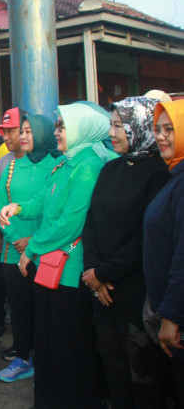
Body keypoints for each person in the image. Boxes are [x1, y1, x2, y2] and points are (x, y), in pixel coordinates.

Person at [0, 102, 117, 409]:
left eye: (63, 126)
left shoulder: (88, 164)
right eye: (57, 126)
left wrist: (33, 248)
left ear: (80, 130)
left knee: (68, 343)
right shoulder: (66, 162)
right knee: (48, 341)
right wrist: (19, 207)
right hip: (50, 267)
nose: (57, 132)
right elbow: (44, 199)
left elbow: (70, 222)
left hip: (69, 271)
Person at [81, 97, 170, 407]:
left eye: (119, 125)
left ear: (138, 128)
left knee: (141, 366)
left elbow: (146, 236)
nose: (112, 132)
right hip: (100, 286)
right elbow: (90, 221)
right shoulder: (111, 168)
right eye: (111, 125)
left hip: (133, 286)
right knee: (112, 360)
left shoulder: (159, 173)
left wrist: (104, 273)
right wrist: (93, 274)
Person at [0, 114, 60, 383]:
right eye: (22, 131)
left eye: (29, 132)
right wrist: (14, 238)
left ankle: (46, 357)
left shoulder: (57, 166)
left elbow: (55, 211)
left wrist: (32, 241)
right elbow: (1, 205)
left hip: (45, 251)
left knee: (45, 309)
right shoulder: (11, 167)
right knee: (19, 308)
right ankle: (22, 357)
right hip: (13, 251)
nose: (23, 136)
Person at [143, 99, 184, 407]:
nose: (161, 136)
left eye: (170, 129)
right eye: (157, 129)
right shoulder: (174, 175)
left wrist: (171, 316)